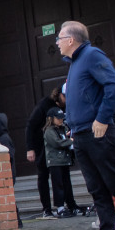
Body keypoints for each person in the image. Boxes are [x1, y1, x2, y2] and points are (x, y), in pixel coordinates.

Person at [56, 21, 115, 230]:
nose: (57, 43)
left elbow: (114, 86)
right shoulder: (75, 64)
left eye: (59, 38)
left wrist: (101, 119)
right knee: (98, 190)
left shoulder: (91, 55)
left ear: (71, 40)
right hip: (81, 135)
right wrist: (72, 126)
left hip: (99, 133)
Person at [25, 87, 66, 219]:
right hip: (41, 144)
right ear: (59, 96)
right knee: (43, 175)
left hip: (57, 146)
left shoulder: (66, 105)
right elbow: (30, 125)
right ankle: (46, 209)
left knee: (60, 175)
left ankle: (64, 205)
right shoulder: (44, 105)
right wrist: (30, 148)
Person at [43, 107, 80, 218]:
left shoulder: (63, 128)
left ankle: (71, 204)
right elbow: (57, 143)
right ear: (51, 119)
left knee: (67, 184)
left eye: (61, 118)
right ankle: (60, 207)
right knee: (58, 184)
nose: (61, 120)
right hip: (55, 161)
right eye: (58, 118)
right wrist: (70, 140)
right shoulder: (49, 131)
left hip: (64, 160)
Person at [0, 112, 22, 228]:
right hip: (8, 173)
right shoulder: (2, 138)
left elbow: (8, 156)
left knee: (9, 198)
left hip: (8, 173)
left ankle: (16, 220)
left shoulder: (4, 139)